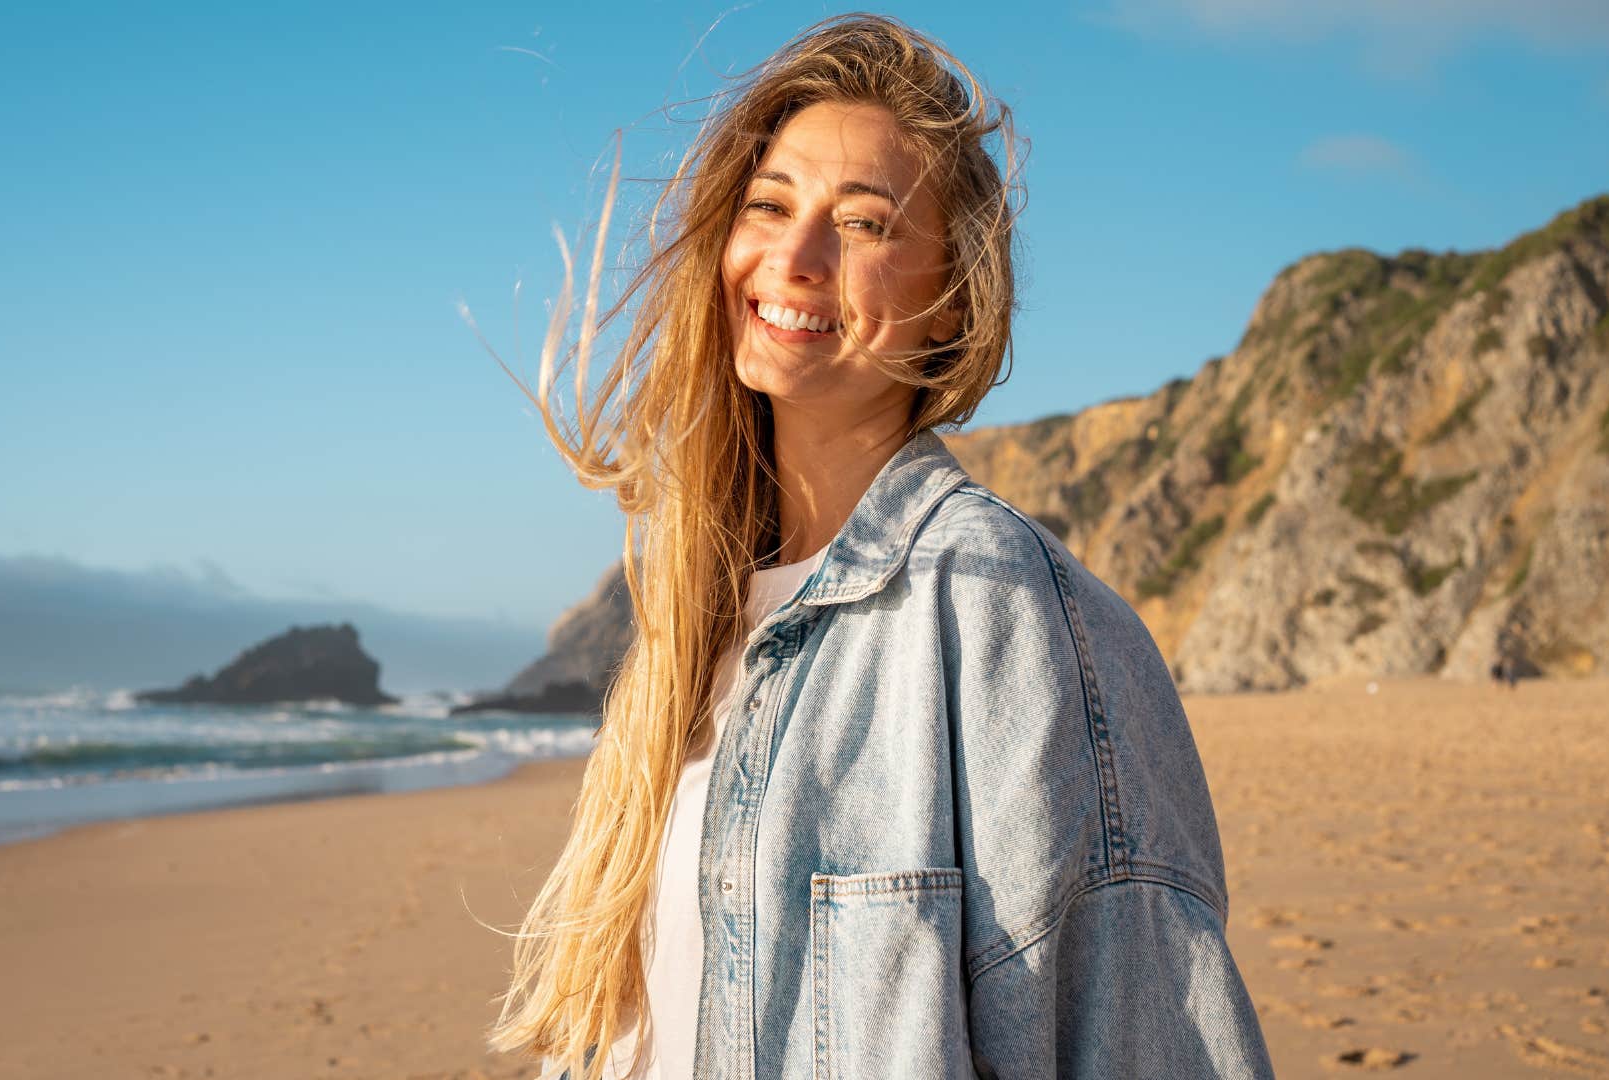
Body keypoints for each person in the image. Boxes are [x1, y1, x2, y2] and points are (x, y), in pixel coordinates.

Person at [487, 13, 1274, 1079]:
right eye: (770, 207)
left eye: (863, 225)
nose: (796, 258)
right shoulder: (690, 625)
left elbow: (1146, 1044)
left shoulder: (1016, 621)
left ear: (952, 297)